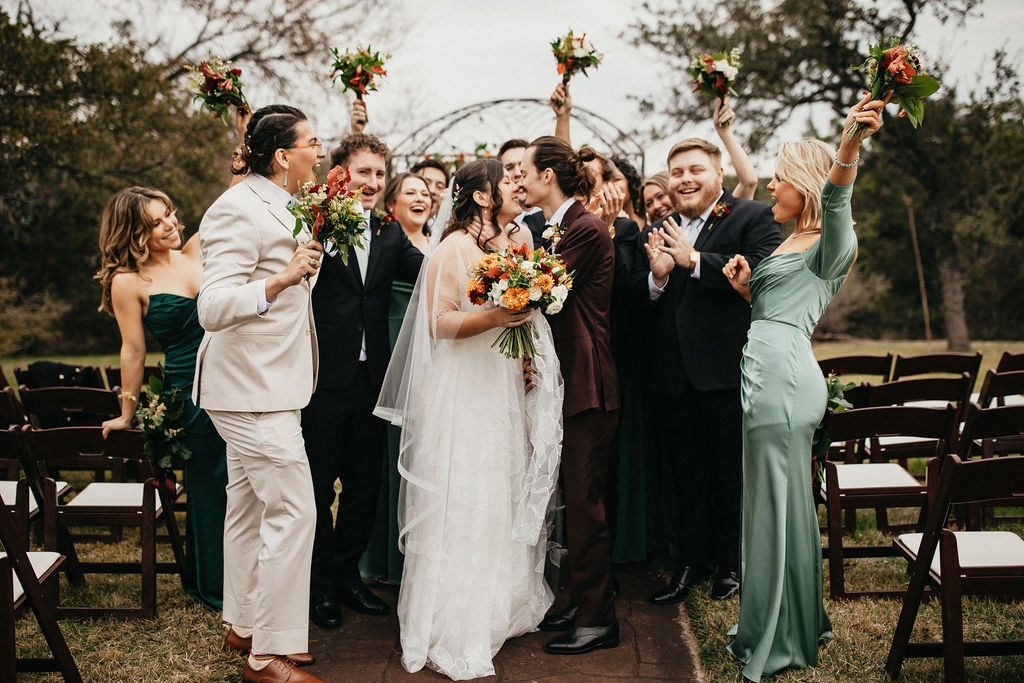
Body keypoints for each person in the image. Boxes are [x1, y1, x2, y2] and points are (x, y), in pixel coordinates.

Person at [375, 158, 562, 679]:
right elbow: (438, 323)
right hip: (464, 389)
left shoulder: (515, 243)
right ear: (482, 195)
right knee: (466, 492)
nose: (518, 187)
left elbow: (522, 319)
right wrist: (497, 316)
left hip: (503, 383)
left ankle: (502, 604)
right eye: (508, 182)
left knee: (502, 488)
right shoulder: (452, 249)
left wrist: (525, 356)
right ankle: (454, 621)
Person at [722, 95, 883, 682]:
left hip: (785, 382)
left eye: (781, 179)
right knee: (769, 502)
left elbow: (838, 199)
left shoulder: (831, 242)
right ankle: (784, 618)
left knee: (775, 504)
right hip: (764, 372)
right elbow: (773, 307)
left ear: (807, 186)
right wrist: (747, 287)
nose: (771, 187)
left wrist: (850, 141)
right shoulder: (788, 240)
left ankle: (780, 635)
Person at [193, 104, 326, 682]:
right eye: (311, 142)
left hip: (274, 383)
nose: (319, 151)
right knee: (295, 510)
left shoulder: (287, 204)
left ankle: (245, 623)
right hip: (248, 389)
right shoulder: (236, 209)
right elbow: (212, 306)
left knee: (248, 507)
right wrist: (281, 279)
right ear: (282, 155)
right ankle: (268, 655)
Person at [641, 137, 781, 605]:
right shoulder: (657, 229)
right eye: (677, 171)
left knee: (728, 474)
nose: (684, 179)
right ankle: (690, 562)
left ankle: (731, 564)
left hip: (725, 370)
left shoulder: (751, 217)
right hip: (673, 375)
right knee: (686, 476)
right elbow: (646, 302)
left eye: (694, 170)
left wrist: (696, 261)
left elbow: (762, 273)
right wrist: (658, 277)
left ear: (718, 174)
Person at [303, 133, 424, 629]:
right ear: (341, 175)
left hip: (373, 380)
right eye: (363, 173)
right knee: (316, 486)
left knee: (363, 486)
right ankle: (318, 588)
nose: (372, 183)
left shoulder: (391, 234)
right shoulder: (315, 222)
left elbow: (429, 272)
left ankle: (347, 577)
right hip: (322, 379)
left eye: (379, 174)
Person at [96, 187, 227, 612]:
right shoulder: (128, 282)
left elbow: (235, 193)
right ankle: (215, 583)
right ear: (134, 233)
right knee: (211, 483)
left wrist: (246, 146)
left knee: (246, 478)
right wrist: (127, 412)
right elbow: (133, 351)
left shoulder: (197, 249)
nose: (170, 224)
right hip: (189, 390)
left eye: (169, 213)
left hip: (235, 375)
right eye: (155, 222)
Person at [520, 135, 620, 655]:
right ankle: (582, 604)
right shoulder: (558, 228)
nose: (519, 180)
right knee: (573, 502)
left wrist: (500, 266)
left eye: (525, 171)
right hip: (566, 380)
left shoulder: (584, 228)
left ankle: (598, 619)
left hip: (588, 384)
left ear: (548, 176)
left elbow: (539, 289)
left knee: (585, 505)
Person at [359, 172, 432, 586]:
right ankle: (385, 557)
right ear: (392, 204)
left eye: (425, 193)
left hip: (435, 351)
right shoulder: (382, 239)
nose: (420, 197)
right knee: (391, 450)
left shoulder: (440, 243)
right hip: (392, 344)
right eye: (410, 192)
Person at [713, 97, 759, 200]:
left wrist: (724, 132)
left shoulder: (722, 209)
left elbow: (748, 183)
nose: (687, 179)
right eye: (677, 173)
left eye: (696, 171)